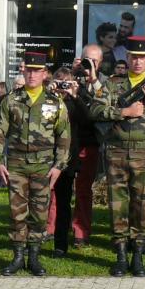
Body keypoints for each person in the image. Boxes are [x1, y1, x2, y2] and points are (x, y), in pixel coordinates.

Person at [89, 36, 145, 277]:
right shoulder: (113, 83)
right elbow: (95, 110)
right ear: (126, 58)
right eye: (133, 57)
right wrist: (123, 111)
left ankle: (137, 255)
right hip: (116, 152)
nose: (138, 62)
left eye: (142, 57)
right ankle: (120, 255)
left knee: (142, 204)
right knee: (117, 204)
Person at [0, 52, 70, 276]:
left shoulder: (55, 102)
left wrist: (59, 165)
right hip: (16, 164)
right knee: (17, 212)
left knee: (39, 213)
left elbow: (64, 135)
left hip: (44, 165)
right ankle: (18, 256)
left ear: (45, 74)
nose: (32, 75)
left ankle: (34, 257)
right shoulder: (11, 100)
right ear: (23, 71)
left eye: (37, 71)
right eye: (29, 70)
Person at [44, 66, 87, 256]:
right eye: (60, 82)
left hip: (67, 160)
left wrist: (74, 94)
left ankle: (60, 245)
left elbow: (88, 119)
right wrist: (48, 93)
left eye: (66, 83)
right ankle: (33, 242)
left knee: (63, 203)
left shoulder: (74, 102)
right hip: (44, 157)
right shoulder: (47, 99)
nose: (62, 87)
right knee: (38, 202)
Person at [67, 46, 104, 245]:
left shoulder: (104, 83)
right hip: (67, 141)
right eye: (86, 60)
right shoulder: (72, 78)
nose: (89, 65)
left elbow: (106, 104)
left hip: (89, 143)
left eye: (94, 61)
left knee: (83, 189)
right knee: (58, 187)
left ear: (100, 63)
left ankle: (80, 231)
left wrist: (94, 79)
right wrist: (72, 74)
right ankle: (51, 227)